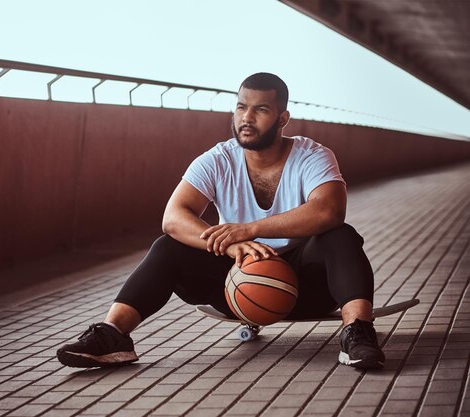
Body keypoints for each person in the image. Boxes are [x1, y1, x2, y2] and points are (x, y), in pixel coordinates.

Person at [56, 72, 385, 370]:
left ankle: (357, 333)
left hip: (307, 285)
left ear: (283, 117)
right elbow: (174, 217)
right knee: (169, 247)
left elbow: (328, 210)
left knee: (339, 235)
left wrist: (250, 229)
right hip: (236, 285)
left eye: (261, 110)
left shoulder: (312, 155)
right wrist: (232, 246)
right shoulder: (217, 159)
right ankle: (113, 335)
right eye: (241, 107)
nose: (247, 117)